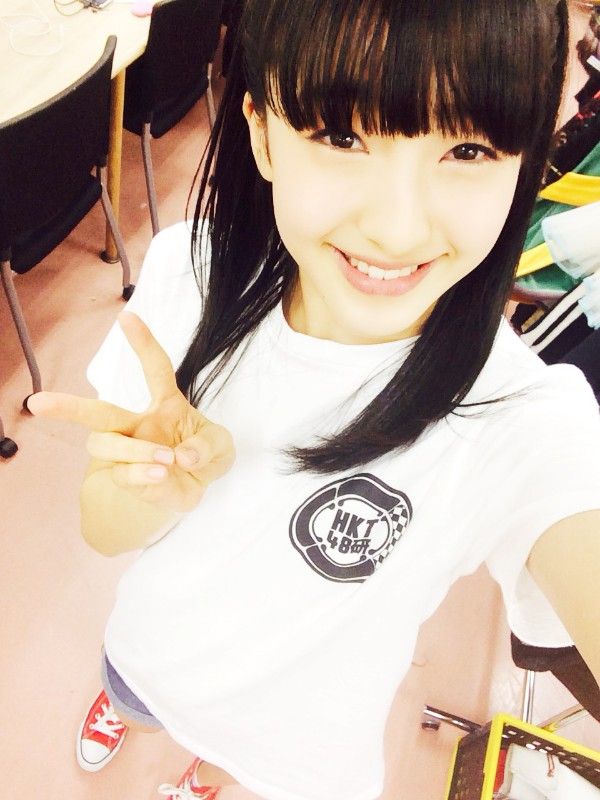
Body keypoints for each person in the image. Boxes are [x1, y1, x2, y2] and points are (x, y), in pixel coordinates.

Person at [28, 1, 600, 799]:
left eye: (468, 150)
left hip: (289, 747)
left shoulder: (522, 420)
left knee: (226, 767)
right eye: (341, 136)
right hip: (150, 656)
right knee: (134, 698)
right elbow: (102, 527)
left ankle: (205, 775)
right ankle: (124, 712)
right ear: (264, 135)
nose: (397, 228)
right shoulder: (188, 279)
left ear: (526, 163)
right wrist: (144, 487)